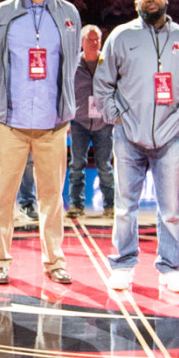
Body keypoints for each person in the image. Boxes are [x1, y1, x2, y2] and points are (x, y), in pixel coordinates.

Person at [94, 0, 179, 293]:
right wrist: (114, 115)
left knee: (170, 209)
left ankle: (171, 267)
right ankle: (122, 264)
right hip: (128, 136)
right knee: (125, 206)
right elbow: (103, 82)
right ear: (135, 3)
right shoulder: (121, 36)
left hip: (170, 137)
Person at [0, 0, 81, 286]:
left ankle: (55, 263)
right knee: (2, 197)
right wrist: (2, 100)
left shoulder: (68, 15)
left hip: (53, 125)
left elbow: (72, 61)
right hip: (11, 123)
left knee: (52, 199)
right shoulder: (2, 14)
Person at [67, 25, 115, 219]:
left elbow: (118, 89)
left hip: (103, 122)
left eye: (97, 40)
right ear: (81, 42)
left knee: (105, 165)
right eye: (90, 40)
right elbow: (65, 90)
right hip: (79, 122)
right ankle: (76, 205)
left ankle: (110, 206)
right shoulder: (72, 65)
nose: (94, 43)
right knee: (77, 164)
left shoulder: (109, 63)